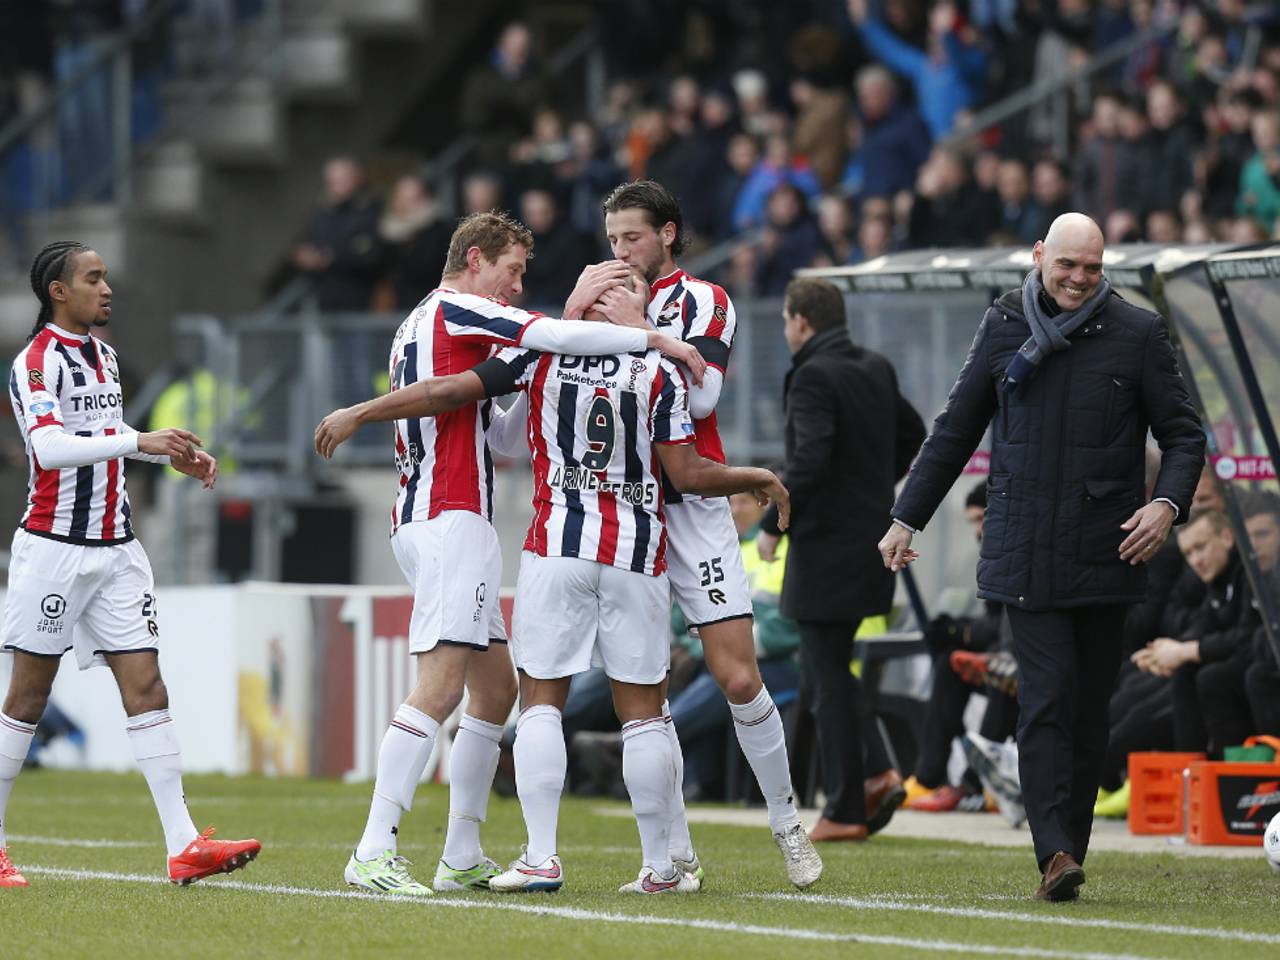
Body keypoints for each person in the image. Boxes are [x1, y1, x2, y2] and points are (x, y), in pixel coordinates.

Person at [312, 212, 706, 897]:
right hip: (450, 515)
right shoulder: (458, 306)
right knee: (439, 688)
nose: (517, 287)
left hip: (438, 514)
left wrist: (560, 338)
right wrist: (651, 336)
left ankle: (461, 849)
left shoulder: (419, 323)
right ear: (473, 258)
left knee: (496, 689)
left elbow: (498, 426)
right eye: (513, 269)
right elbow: (542, 335)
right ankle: (373, 848)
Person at [383, 278, 791, 894]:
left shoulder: (543, 353)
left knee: (541, 702)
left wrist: (364, 411)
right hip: (637, 548)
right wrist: (752, 476)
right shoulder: (661, 371)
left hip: (557, 545)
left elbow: (499, 434)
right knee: (645, 714)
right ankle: (659, 865)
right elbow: (684, 469)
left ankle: (541, 857)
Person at [878, 212, 1204, 901]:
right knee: (1048, 698)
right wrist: (907, 516)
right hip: (1023, 554)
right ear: (1038, 257)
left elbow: (1184, 435)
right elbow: (955, 430)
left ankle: (1069, 852)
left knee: (1088, 710)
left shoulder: (1138, 333)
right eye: (1068, 266)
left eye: (1092, 267)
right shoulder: (1002, 326)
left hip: (1107, 551)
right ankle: (1052, 851)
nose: (1081, 279)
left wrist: (1166, 505)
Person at [1, 241, 261, 890]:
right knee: (28, 698)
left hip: (117, 549)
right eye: (93, 278)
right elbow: (52, 448)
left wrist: (160, 455)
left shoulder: (107, 357)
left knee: (147, 688)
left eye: (106, 276)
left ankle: (183, 845)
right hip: (54, 549)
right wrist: (140, 440)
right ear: (58, 292)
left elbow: (106, 443)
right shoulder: (34, 363)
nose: (106, 287)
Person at [602, 180, 822, 887]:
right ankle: (674, 856)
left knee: (736, 675)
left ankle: (787, 821)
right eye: (611, 241)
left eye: (631, 237)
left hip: (693, 507)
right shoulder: (605, 301)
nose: (620, 252)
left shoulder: (704, 301)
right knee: (646, 689)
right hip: (628, 507)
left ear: (668, 233)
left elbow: (701, 396)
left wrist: (635, 333)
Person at [756, 277, 925, 843]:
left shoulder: (812, 374)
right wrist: (874, 487)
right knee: (825, 667)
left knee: (824, 670)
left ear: (801, 320)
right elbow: (915, 432)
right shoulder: (874, 366)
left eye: (785, 321)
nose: (785, 331)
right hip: (872, 537)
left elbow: (810, 458)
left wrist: (770, 522)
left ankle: (849, 806)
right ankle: (874, 774)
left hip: (827, 544)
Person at [1134, 509, 1260, 757]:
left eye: (1200, 547)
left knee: (1212, 678)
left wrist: (1186, 651)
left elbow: (1247, 637)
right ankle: (1190, 771)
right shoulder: (1218, 580)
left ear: (1226, 536)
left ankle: (1231, 777)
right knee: (1181, 673)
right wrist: (1163, 653)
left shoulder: (1249, 572)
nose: (1195, 561)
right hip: (1238, 660)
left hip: (1259, 662)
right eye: (1189, 554)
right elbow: (1205, 623)